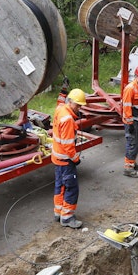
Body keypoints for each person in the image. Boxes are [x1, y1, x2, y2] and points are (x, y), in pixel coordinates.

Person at [52, 88, 87, 229]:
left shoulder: (61, 109)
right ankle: (67, 218)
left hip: (57, 158)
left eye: (80, 106)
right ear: (70, 102)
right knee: (71, 188)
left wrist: (62, 93)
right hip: (66, 160)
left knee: (60, 186)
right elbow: (68, 145)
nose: (79, 108)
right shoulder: (67, 120)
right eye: (77, 105)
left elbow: (59, 103)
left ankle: (58, 212)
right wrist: (76, 159)